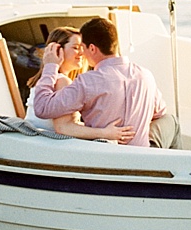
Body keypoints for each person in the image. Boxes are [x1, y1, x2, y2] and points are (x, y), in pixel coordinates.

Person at [32, 16, 179, 148]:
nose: (82, 53)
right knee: (172, 122)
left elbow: (42, 108)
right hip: (142, 154)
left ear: (92, 48)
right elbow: (159, 112)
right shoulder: (146, 75)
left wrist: (50, 66)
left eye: (81, 47)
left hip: (107, 155)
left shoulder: (87, 82)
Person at [24, 26, 135, 144]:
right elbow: (64, 128)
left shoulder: (45, 80)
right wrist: (106, 133)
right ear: (57, 50)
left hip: (35, 143)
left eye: (83, 47)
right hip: (49, 145)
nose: (82, 53)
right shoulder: (61, 81)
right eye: (76, 48)